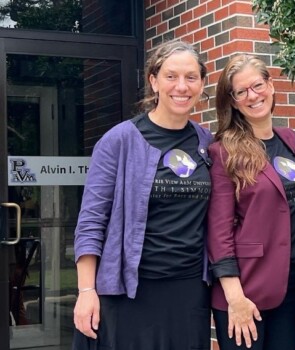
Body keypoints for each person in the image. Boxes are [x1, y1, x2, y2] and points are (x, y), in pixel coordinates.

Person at [72, 39, 213, 350]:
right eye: (171, 76)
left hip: (188, 291)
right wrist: (85, 291)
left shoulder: (207, 142)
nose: (181, 86)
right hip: (129, 292)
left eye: (191, 77)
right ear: (154, 81)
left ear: (202, 83)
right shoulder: (120, 140)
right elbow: (92, 220)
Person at [208, 54, 295, 350]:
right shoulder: (224, 152)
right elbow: (218, 233)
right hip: (247, 286)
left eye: (257, 85)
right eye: (241, 92)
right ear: (232, 101)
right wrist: (235, 297)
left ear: (271, 85)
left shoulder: (293, 142)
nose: (252, 96)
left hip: (293, 286)